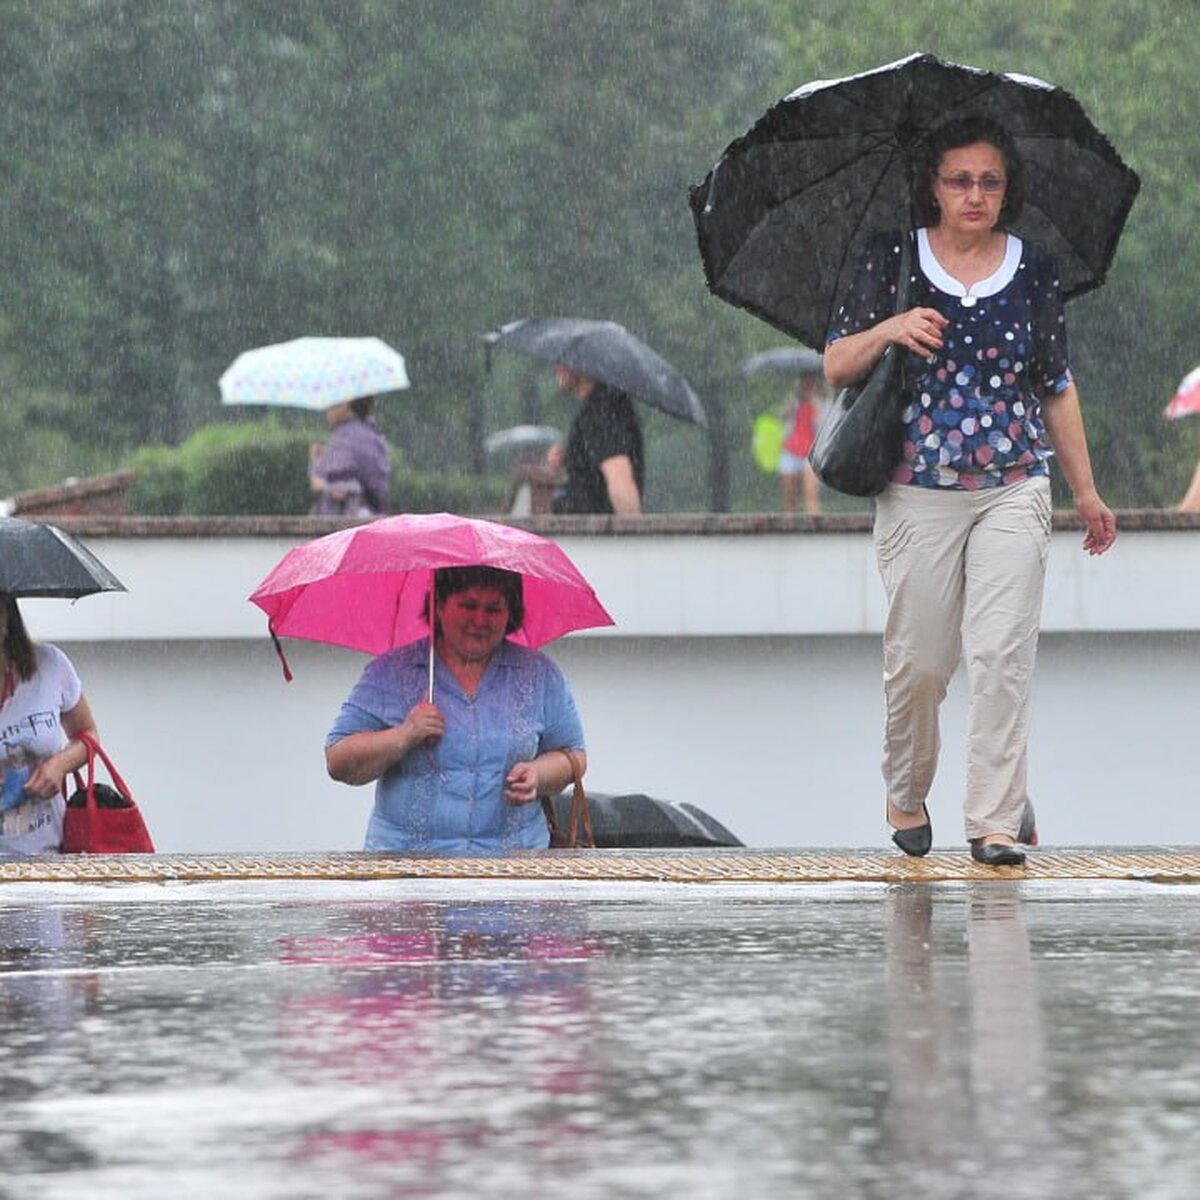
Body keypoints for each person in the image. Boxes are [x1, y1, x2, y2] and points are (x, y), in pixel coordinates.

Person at [824, 115, 1116, 867]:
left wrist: (1085, 491)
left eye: (989, 181)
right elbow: (835, 365)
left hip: (1013, 485)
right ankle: (905, 785)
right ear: (933, 185)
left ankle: (994, 819)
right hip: (915, 487)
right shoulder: (891, 257)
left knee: (1001, 656)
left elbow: (1055, 384)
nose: (975, 194)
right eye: (960, 180)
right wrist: (892, 327)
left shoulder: (1036, 268)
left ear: (1007, 188)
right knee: (921, 663)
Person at [325, 565, 587, 853]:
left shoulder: (539, 673)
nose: (480, 619)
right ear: (439, 605)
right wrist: (404, 736)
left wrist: (539, 774)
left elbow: (573, 755)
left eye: (494, 609)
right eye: (468, 605)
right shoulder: (389, 672)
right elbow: (338, 760)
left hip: (514, 877)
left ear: (510, 612)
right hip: (407, 880)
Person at [0, 594, 99, 854]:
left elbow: (87, 734)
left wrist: (59, 765)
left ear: (7, 618)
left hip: (48, 865)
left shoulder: (50, 665)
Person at [550, 366, 644, 515]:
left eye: (562, 361)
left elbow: (620, 481)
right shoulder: (603, 407)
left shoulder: (602, 411)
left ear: (581, 364)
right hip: (590, 529)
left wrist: (633, 533)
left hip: (593, 534)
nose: (555, 367)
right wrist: (570, 459)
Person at [309, 395, 391, 517]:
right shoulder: (372, 434)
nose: (327, 410)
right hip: (372, 517)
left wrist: (316, 472)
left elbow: (339, 491)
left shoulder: (345, 438)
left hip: (346, 523)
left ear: (347, 403)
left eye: (332, 404)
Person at [778, 372, 823, 515]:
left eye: (810, 383)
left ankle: (816, 527)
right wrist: (789, 406)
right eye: (805, 383)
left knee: (811, 493)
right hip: (791, 450)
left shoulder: (821, 403)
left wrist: (816, 406)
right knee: (790, 496)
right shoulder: (793, 401)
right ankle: (789, 526)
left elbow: (824, 426)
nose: (807, 387)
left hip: (810, 453)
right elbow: (781, 419)